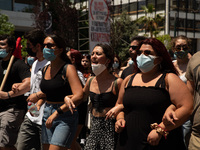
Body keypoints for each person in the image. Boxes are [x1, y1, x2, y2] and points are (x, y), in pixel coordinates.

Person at [115, 38, 193, 150]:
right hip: (127, 142)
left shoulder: (169, 79)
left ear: (159, 59)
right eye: (139, 53)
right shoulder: (128, 79)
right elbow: (120, 105)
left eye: (147, 53)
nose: (142, 56)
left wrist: (161, 129)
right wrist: (120, 119)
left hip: (159, 143)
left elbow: (187, 107)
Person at [40, 34, 83, 150]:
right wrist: (38, 99)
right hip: (47, 113)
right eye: (44, 45)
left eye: (49, 45)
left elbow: (79, 95)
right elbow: (50, 91)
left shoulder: (68, 68)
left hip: (65, 115)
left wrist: (57, 112)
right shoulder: (45, 69)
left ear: (60, 50)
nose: (45, 48)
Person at [79, 43, 123, 150]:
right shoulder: (90, 80)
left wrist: (119, 108)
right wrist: (67, 98)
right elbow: (80, 96)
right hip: (94, 128)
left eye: (98, 54)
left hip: (111, 128)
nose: (93, 56)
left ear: (108, 60)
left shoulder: (117, 82)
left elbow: (126, 103)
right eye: (92, 53)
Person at [16, 29, 50, 150]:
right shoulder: (35, 63)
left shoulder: (50, 64)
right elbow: (33, 87)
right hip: (31, 115)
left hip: (45, 118)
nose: (27, 47)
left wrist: (38, 101)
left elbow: (51, 90)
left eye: (29, 45)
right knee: (21, 146)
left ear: (38, 46)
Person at [0, 34, 31, 150]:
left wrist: (8, 95)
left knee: (3, 144)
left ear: (11, 47)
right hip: (0, 108)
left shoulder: (18, 64)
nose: (0, 47)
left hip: (12, 109)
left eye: (3, 44)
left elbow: (28, 83)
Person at [171, 35, 192, 148]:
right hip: (171, 110)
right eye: (178, 47)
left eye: (184, 47)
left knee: (185, 141)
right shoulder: (170, 66)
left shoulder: (193, 65)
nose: (181, 50)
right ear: (173, 49)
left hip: (188, 113)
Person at [67, 49, 87, 150]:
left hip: (78, 112)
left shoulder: (77, 74)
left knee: (70, 141)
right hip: (70, 111)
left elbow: (82, 94)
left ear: (73, 59)